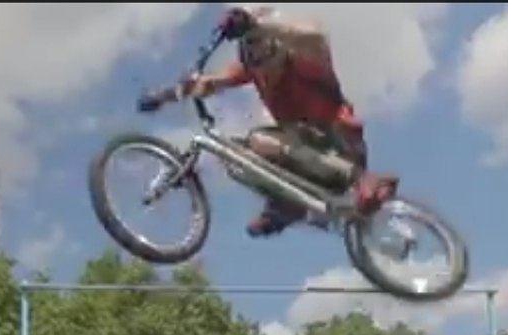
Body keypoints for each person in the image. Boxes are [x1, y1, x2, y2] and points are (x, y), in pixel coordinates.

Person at [142, 5, 398, 237]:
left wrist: (256, 24)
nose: (265, 66)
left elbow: (313, 36)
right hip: (307, 153)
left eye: (266, 51)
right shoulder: (253, 70)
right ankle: (289, 203)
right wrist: (165, 95)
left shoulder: (306, 58)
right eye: (254, 58)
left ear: (279, 45)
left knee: (260, 140)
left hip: (341, 145)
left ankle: (364, 179)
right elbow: (208, 83)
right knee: (235, 155)